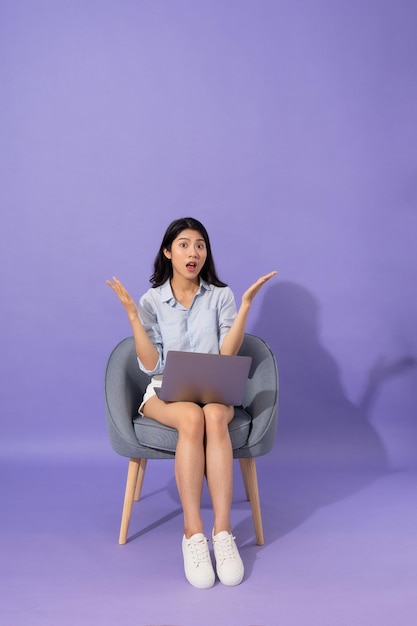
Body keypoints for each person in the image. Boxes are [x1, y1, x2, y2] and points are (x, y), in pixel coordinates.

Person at [107, 217, 276, 589]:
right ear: (168, 252)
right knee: (190, 418)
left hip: (213, 389)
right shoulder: (152, 301)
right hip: (165, 391)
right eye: (184, 244)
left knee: (214, 415)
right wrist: (135, 317)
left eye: (200, 245)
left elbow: (228, 355)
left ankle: (222, 533)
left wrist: (245, 306)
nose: (193, 252)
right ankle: (193, 534)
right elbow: (152, 366)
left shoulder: (221, 295)